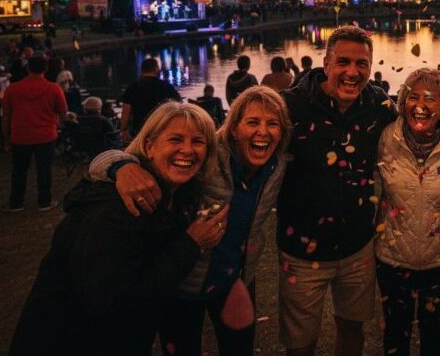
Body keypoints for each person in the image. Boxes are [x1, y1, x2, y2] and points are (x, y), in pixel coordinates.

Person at [9, 102, 226, 356]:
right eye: (175, 139)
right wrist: (192, 243)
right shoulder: (117, 206)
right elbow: (114, 303)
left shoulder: (173, 198)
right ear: (149, 146)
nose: (187, 150)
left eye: (198, 142)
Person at [90, 86, 292, 356]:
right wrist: (121, 167)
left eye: (272, 124)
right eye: (252, 122)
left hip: (236, 276)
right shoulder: (206, 153)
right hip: (181, 282)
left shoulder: (277, 165)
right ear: (233, 128)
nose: (263, 132)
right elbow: (107, 161)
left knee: (240, 349)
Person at [278, 26, 399, 356]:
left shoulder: (381, 106)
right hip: (301, 250)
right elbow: (232, 136)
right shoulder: (290, 107)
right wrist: (120, 162)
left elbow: (425, 120)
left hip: (357, 247)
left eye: (362, 64)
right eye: (343, 62)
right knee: (300, 343)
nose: (352, 72)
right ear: (326, 62)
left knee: (352, 327)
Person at [375, 68, 440, 356]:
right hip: (392, 257)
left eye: (431, 99)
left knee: (433, 331)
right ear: (402, 103)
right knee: (395, 331)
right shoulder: (384, 138)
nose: (421, 106)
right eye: (413, 97)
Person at [2, 54, 67, 212]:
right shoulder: (53, 88)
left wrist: (6, 139)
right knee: (44, 169)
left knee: (19, 170)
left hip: (20, 135)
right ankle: (44, 201)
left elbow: (6, 116)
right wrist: (60, 126)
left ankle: (16, 202)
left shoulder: (12, 89)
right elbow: (63, 112)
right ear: (45, 69)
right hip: (46, 135)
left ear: (28, 68)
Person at [120, 58, 181, 141]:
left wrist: (123, 130)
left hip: (140, 129)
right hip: (161, 127)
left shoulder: (132, 88)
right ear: (156, 68)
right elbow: (179, 105)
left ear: (142, 70)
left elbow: (126, 111)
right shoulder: (166, 86)